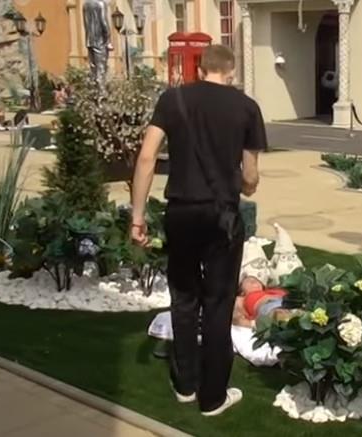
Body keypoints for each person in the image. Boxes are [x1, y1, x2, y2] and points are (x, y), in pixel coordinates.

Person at [131, 44, 267, 416]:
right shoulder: (246, 107)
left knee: (184, 297)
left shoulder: (172, 99)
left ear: (201, 69)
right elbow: (250, 175)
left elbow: (146, 157)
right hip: (222, 215)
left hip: (181, 212)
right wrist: (246, 185)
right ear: (231, 71)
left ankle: (186, 384)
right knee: (219, 302)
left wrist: (137, 216)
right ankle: (213, 397)